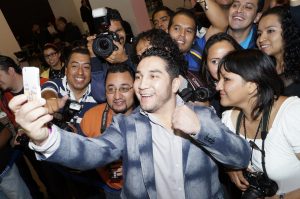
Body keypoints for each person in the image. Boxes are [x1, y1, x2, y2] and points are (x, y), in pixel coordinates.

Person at [10, 47, 251, 199]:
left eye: (153, 76)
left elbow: (239, 157)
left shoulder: (204, 117)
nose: (142, 85)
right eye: (139, 76)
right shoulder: (127, 125)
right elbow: (91, 152)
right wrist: (44, 137)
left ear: (175, 84)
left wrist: (199, 130)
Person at [217, 49, 300, 198]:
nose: (218, 86)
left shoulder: (292, 113)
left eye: (226, 79)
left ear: (252, 86)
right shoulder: (228, 120)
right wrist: (229, 167)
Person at [81, 64, 136, 199]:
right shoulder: (90, 118)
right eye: (111, 89)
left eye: (124, 88)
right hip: (112, 190)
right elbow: (80, 159)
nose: (117, 96)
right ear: (105, 92)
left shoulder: (151, 117)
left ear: (135, 89)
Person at [41, 47, 97, 132]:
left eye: (86, 67)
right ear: (66, 70)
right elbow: (48, 89)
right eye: (74, 66)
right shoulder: (57, 84)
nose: (80, 72)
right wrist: (50, 99)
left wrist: (77, 138)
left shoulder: (98, 95)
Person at [87, 7, 135, 103]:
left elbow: (143, 89)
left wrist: (125, 61)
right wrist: (93, 57)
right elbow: (100, 96)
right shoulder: (100, 59)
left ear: (125, 30)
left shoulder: (136, 50)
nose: (115, 37)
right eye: (110, 34)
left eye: (118, 31)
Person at [168, 0, 228, 73]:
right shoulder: (155, 54)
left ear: (194, 38)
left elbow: (221, 24)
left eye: (189, 31)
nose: (182, 34)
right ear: (167, 31)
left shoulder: (196, 51)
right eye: (176, 28)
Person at [256, 5, 300, 97]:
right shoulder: (261, 70)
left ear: (289, 31)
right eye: (259, 34)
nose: (261, 39)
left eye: (270, 31)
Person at [201, 32, 242, 117]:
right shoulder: (204, 95)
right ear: (206, 65)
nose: (221, 67)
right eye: (215, 61)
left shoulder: (251, 87)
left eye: (227, 58)